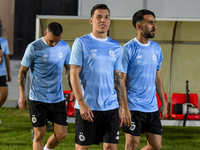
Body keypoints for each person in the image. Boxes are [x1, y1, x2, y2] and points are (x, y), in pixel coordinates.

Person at [70, 4, 123, 150]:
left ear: (110, 21)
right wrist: (81, 103)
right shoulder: (81, 42)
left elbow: (117, 77)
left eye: (106, 17)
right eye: (98, 17)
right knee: (82, 148)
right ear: (91, 20)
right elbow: (73, 73)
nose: (103, 20)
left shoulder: (116, 46)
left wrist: (120, 108)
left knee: (111, 147)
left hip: (111, 106)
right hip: (88, 107)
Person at [18, 22, 72, 150]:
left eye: (57, 41)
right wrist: (22, 94)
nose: (54, 44)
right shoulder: (33, 47)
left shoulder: (65, 47)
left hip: (57, 98)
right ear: (46, 33)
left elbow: (68, 71)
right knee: (39, 134)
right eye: (52, 41)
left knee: (62, 134)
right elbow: (22, 72)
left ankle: (47, 148)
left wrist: (73, 89)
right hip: (38, 98)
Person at [121, 9, 168, 150]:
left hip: (152, 107)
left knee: (155, 145)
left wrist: (164, 103)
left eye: (155, 22)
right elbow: (120, 82)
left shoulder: (156, 48)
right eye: (150, 23)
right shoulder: (127, 49)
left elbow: (157, 77)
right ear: (139, 26)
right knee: (132, 144)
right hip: (133, 106)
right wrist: (125, 108)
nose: (155, 26)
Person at [0, 37, 11, 107]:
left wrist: (8, 74)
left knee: (4, 94)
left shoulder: (4, 41)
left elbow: (6, 58)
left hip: (1, 73)